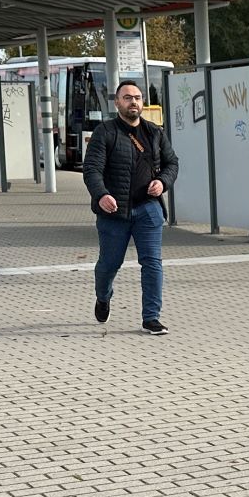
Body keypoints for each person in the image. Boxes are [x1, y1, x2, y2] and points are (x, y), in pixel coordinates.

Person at [84, 80, 179, 334]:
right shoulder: (105, 132)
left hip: (148, 210)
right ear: (117, 103)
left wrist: (162, 182)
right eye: (127, 97)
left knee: (152, 263)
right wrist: (102, 194)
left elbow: (172, 164)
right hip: (114, 212)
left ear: (143, 102)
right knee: (108, 265)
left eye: (137, 97)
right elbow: (92, 169)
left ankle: (151, 317)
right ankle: (103, 297)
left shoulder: (155, 132)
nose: (133, 102)